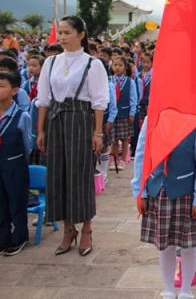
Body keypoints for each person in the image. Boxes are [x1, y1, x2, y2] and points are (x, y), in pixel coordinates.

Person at [36, 16, 109, 256]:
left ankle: (86, 228)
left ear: (81, 35)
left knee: (80, 176)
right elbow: (44, 98)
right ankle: (68, 229)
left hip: (81, 120)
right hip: (56, 121)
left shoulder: (92, 64)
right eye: (61, 32)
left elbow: (99, 101)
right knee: (57, 175)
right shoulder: (51, 62)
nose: (63, 37)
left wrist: (97, 132)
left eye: (68, 32)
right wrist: (41, 129)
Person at [132, 117, 196, 299]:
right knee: (164, 244)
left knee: (189, 245)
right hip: (158, 190)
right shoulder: (151, 118)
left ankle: (186, 289)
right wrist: (140, 190)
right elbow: (141, 154)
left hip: (185, 192)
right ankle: (168, 288)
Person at [0, 71, 32, 256]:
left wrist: (16, 159)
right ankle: (3, 236)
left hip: (15, 165)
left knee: (17, 202)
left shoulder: (21, 117)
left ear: (14, 91)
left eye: (1, 86)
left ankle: (19, 237)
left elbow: (27, 145)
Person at [111, 56, 138, 170]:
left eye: (120, 65)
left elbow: (133, 98)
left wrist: (132, 113)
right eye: (115, 65)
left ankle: (123, 159)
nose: (117, 68)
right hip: (113, 114)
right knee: (114, 138)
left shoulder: (130, 81)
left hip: (124, 112)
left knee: (125, 138)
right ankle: (115, 159)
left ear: (125, 67)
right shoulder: (109, 80)